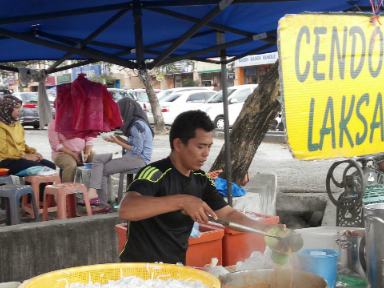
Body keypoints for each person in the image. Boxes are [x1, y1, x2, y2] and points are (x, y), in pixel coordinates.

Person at [117, 110, 275, 264]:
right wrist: (181, 201)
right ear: (178, 144)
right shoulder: (155, 173)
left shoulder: (201, 180)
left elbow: (228, 214)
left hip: (176, 269)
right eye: (200, 147)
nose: (206, 153)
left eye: (209, 146)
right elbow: (126, 209)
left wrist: (264, 229)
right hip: (137, 271)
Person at [86, 98, 153, 213]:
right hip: (130, 155)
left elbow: (137, 150)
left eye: (120, 113)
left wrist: (118, 142)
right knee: (98, 158)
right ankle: (93, 190)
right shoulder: (135, 123)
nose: (119, 116)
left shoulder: (137, 126)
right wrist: (116, 139)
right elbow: (132, 143)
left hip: (139, 159)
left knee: (103, 169)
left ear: (126, 111)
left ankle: (102, 204)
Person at [0, 94, 56, 175]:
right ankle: (36, 187)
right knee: (39, 168)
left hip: (18, 158)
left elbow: (22, 145)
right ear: (6, 109)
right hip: (2, 161)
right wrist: (25, 156)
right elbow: (3, 150)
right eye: (16, 107)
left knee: (51, 166)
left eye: (20, 107)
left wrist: (33, 153)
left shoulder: (16, 124)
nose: (19, 110)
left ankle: (38, 187)